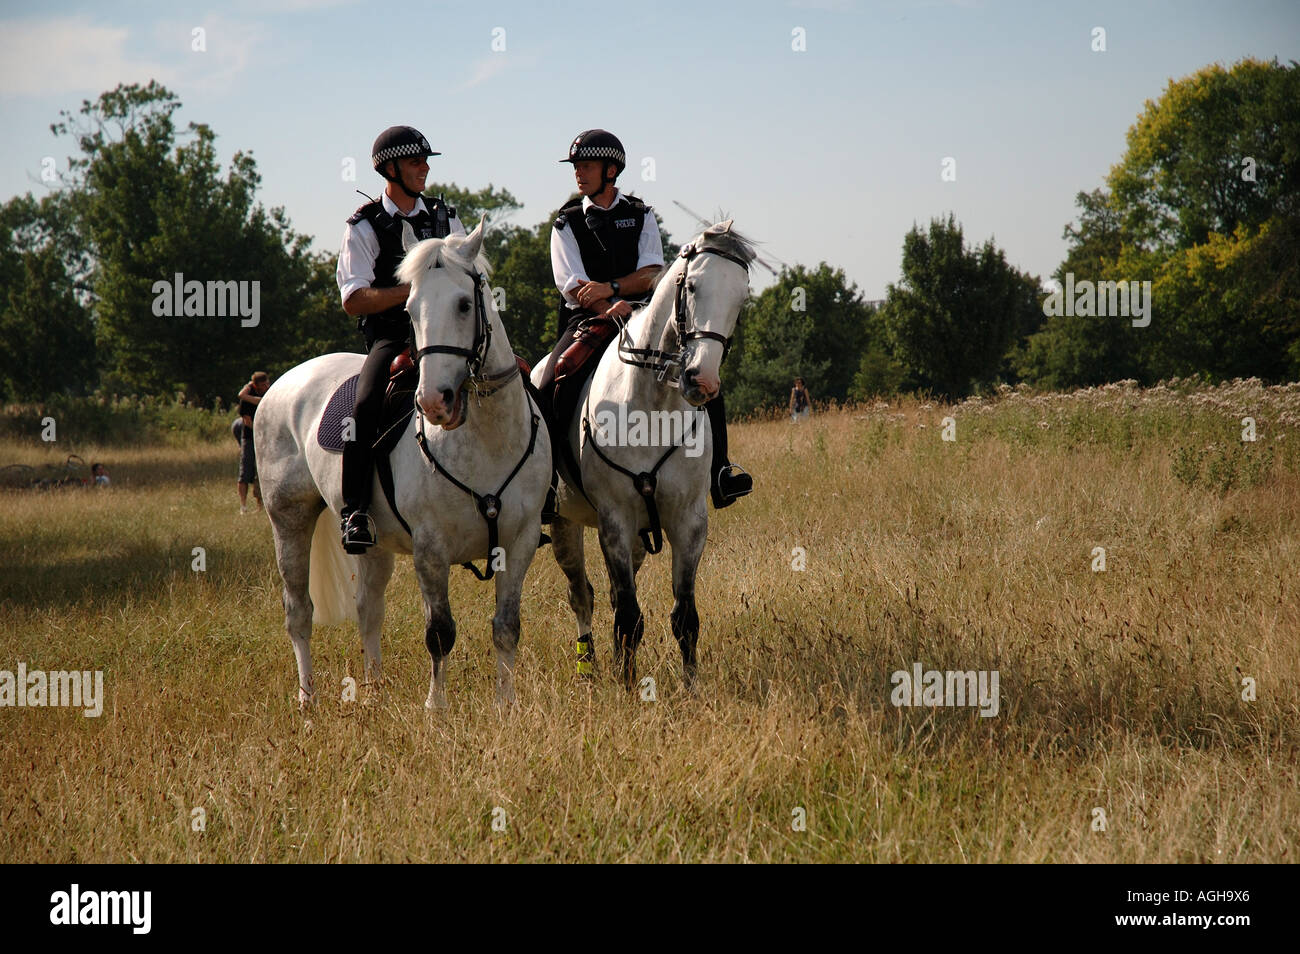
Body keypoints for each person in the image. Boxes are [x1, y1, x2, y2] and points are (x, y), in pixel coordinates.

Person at [539, 128, 752, 509]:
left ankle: (720, 472)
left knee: (703, 380)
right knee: (549, 381)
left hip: (645, 318)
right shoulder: (566, 222)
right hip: (585, 322)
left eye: (586, 166)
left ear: (610, 170)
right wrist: (605, 305)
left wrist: (610, 289)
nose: (578, 173)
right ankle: (547, 488)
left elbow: (653, 272)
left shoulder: (641, 214)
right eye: (576, 167)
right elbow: (571, 286)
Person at [336, 125, 465, 553]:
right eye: (415, 162)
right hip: (393, 337)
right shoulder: (364, 225)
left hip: (451, 334)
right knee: (365, 402)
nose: (425, 168)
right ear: (390, 169)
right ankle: (355, 511)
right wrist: (411, 294)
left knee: (515, 377)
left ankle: (540, 490)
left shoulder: (447, 218)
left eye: (425, 161)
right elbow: (353, 298)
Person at [237, 371, 270, 513]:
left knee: (262, 473)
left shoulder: (269, 394)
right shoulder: (246, 400)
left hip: (266, 439)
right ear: (255, 386)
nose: (266, 387)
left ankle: (261, 506)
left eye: (267, 383)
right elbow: (247, 421)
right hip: (250, 438)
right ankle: (243, 506)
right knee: (245, 472)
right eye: (263, 385)